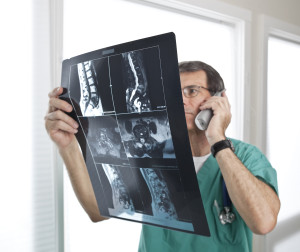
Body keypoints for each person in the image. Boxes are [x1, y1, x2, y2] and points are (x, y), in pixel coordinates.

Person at [45, 61, 280, 252]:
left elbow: (263, 222)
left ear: (220, 99)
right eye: (173, 93)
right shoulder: (149, 154)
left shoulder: (246, 157)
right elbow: (98, 211)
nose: (180, 100)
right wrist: (67, 147)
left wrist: (217, 139)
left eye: (192, 91)